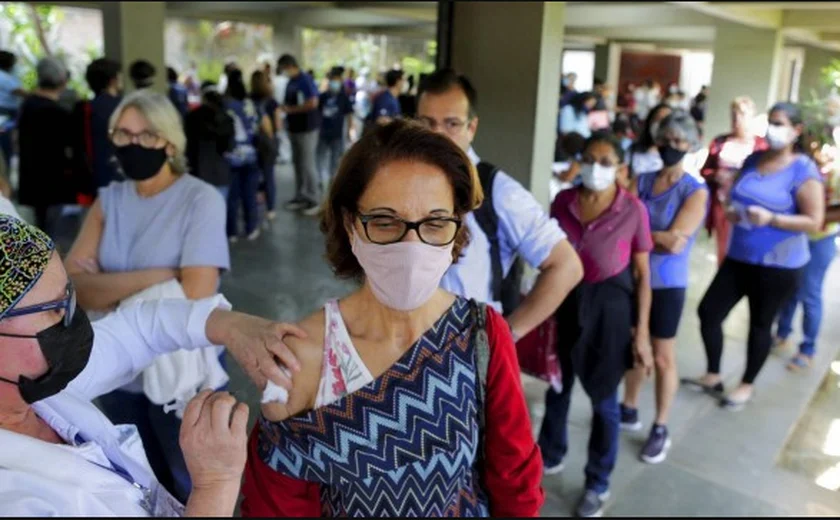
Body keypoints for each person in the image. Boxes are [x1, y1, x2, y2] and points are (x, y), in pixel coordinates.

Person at [240, 119, 544, 517]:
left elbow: (515, 480)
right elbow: (277, 504)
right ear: (351, 224)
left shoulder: (480, 335)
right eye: (385, 221)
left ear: (456, 229)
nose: (412, 246)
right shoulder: (303, 355)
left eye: (435, 223)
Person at [0, 213, 308, 516]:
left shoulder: (35, 392)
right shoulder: (13, 500)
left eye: (70, 295)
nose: (72, 315)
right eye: (54, 309)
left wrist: (233, 327)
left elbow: (139, 330)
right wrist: (215, 485)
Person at [64, 89, 231, 503]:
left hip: (179, 368)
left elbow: (195, 293)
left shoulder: (200, 199)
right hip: (118, 367)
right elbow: (73, 289)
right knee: (139, 472)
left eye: (146, 135)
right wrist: (162, 276)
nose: (132, 144)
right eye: (123, 134)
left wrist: (109, 287)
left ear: (169, 142)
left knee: (188, 474)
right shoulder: (110, 199)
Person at [416, 68, 582, 343]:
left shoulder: (498, 191)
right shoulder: (401, 182)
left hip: (466, 350)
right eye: (426, 122)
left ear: (472, 127)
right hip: (403, 345)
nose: (437, 135)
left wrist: (504, 338)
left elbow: (566, 266)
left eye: (451, 124)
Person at [539, 132, 654, 518]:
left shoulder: (632, 210)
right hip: (565, 302)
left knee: (605, 401)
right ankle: (550, 454)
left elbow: (643, 274)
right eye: (590, 158)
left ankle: (597, 482)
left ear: (621, 169)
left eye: (606, 162)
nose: (596, 167)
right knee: (558, 387)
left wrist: (642, 332)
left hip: (609, 311)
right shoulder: (563, 202)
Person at [685, 102, 825, 410]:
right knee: (709, 312)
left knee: (760, 326)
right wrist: (733, 211)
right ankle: (713, 374)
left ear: (796, 130)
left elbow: (814, 221)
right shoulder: (754, 158)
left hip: (778, 265)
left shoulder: (803, 169)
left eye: (780, 123)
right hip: (739, 256)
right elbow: (737, 193)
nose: (773, 129)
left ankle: (746, 385)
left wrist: (773, 219)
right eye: (770, 122)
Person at [619, 112, 709, 464]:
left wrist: (637, 235)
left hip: (667, 284)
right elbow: (618, 221)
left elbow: (675, 243)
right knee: (633, 346)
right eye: (666, 139)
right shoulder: (641, 181)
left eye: (679, 141)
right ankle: (628, 405)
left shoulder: (694, 191)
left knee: (661, 354)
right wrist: (654, 237)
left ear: (689, 145)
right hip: (634, 277)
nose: (671, 147)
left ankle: (660, 425)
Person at [774, 141, 840, 371]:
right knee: (791, 288)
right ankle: (782, 333)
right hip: (798, 236)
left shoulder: (836, 172)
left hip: (820, 240)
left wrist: (812, 217)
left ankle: (807, 349)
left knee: (809, 293)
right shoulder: (803, 167)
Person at [700, 97, 767, 266]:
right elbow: (705, 170)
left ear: (752, 116)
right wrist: (716, 175)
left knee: (748, 248)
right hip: (723, 203)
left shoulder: (761, 146)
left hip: (750, 205)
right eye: (734, 114)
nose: (737, 119)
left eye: (743, 114)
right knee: (724, 248)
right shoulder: (720, 142)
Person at [17, 57, 76, 237]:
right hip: (54, 181)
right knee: (54, 233)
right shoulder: (57, 112)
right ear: (62, 80)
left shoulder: (28, 104)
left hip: (32, 178)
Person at [276, 54, 321, 213]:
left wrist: (291, 110)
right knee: (298, 163)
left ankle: (314, 199)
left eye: (283, 68)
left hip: (307, 128)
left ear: (289, 65)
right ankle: (301, 195)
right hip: (294, 128)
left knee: (308, 164)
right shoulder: (291, 82)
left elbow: (312, 102)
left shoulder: (305, 80)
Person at [309, 68, 355, 217]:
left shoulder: (344, 98)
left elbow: (349, 116)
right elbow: (317, 113)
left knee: (334, 168)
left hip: (337, 137)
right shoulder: (323, 96)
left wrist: (349, 132)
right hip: (323, 135)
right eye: (332, 80)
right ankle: (320, 199)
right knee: (319, 165)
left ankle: (330, 202)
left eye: (336, 80)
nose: (334, 83)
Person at [223, 69, 262, 242]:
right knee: (249, 194)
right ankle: (251, 227)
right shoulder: (250, 105)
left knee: (232, 196)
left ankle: (231, 231)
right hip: (251, 155)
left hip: (231, 157)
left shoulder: (225, 106)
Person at [185, 83, 235, 200]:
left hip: (197, 172)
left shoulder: (192, 117)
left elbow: (187, 145)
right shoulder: (227, 119)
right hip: (221, 173)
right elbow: (229, 147)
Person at [81, 57, 124, 190]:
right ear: (113, 80)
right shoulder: (123, 107)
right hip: (121, 172)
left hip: (95, 173)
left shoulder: (86, 108)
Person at [249, 70, 280, 221]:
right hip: (268, 143)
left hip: (252, 142)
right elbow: (278, 124)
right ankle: (271, 208)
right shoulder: (271, 101)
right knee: (269, 175)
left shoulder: (248, 100)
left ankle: (255, 202)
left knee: (254, 175)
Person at [627, 103, 673, 180]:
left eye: (666, 120)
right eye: (658, 119)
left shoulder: (677, 158)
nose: (661, 124)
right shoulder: (634, 150)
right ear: (650, 122)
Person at [0, 50, 25, 171]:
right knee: (6, 145)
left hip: (8, 112)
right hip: (5, 113)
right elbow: (20, 92)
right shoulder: (4, 77)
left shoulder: (8, 76)